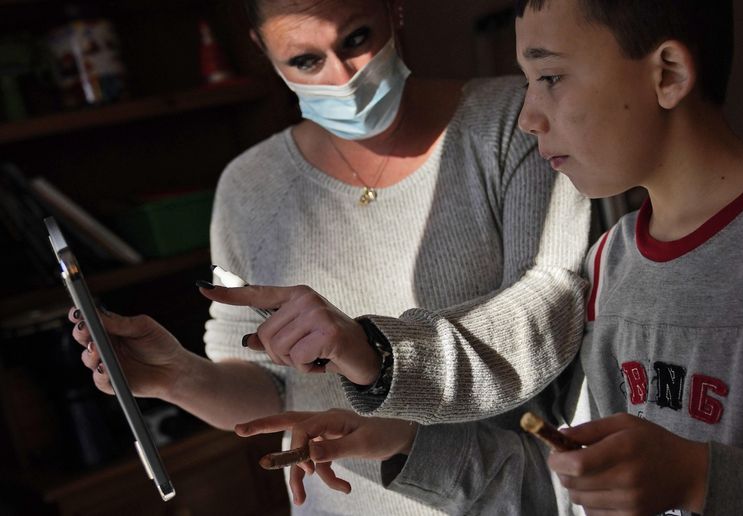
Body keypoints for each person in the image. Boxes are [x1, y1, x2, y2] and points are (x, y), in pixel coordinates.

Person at [231, 0, 743, 513]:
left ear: (667, 74)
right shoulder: (609, 267)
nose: (527, 118)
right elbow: (559, 493)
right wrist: (399, 444)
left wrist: (697, 479)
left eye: (549, 78)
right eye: (526, 82)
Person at [70, 0, 592, 514]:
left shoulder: (515, 121)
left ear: (395, 10)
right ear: (263, 51)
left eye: (357, 39)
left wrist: (374, 352)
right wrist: (175, 377)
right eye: (305, 60)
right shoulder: (249, 187)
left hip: (500, 494)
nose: (343, 77)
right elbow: (271, 390)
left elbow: (548, 310)